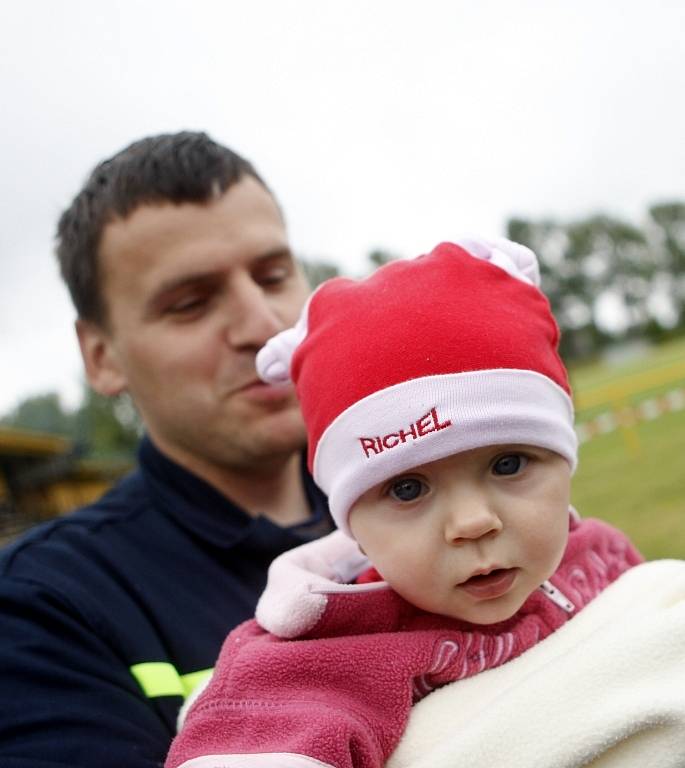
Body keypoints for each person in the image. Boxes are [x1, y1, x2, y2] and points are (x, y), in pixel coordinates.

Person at [165, 237, 644, 768]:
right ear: (353, 528)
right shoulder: (330, 654)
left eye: (508, 464)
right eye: (408, 489)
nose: (473, 522)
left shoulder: (600, 555)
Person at [0, 132, 332, 766]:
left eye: (273, 274)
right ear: (100, 356)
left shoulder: (429, 483)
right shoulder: (41, 614)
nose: (262, 323)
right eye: (190, 303)